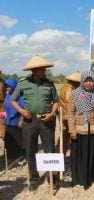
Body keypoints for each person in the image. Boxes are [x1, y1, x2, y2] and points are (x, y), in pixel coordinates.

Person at [10, 55, 59, 191]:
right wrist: (21, 111)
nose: (44, 71)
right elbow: (13, 100)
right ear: (33, 70)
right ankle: (34, 179)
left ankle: (52, 178)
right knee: (31, 150)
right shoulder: (23, 83)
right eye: (41, 69)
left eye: (44, 69)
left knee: (50, 150)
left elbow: (56, 101)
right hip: (29, 121)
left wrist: (52, 113)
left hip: (46, 121)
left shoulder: (49, 84)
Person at [68, 70, 94, 189]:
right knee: (81, 154)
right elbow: (70, 112)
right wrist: (72, 129)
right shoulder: (75, 94)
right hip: (80, 130)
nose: (89, 83)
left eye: (91, 81)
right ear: (82, 81)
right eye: (86, 81)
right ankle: (81, 178)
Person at [56, 71, 80, 181]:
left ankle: (59, 164)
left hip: (65, 118)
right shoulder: (70, 89)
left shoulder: (66, 86)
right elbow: (70, 105)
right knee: (67, 141)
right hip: (68, 119)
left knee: (63, 141)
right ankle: (64, 167)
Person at [4, 78, 25, 158]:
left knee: (18, 138)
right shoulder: (8, 95)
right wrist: (5, 113)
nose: (7, 88)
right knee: (9, 138)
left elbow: (23, 108)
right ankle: (10, 155)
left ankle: (20, 154)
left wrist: (21, 120)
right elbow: (6, 107)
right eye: (6, 87)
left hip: (17, 120)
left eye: (9, 86)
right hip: (9, 120)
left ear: (14, 86)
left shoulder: (20, 95)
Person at [0, 68, 5, 139]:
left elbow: (5, 92)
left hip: (2, 103)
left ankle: (2, 133)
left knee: (2, 117)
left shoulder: (3, 82)